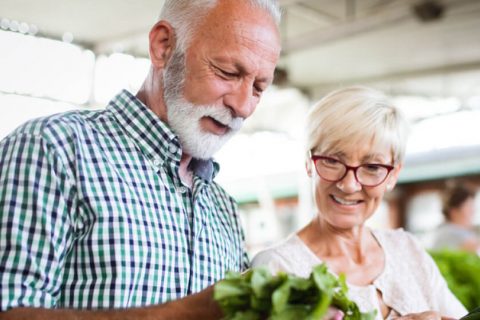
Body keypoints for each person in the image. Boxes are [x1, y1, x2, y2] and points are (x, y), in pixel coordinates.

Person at [0, 0, 281, 319]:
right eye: (228, 72)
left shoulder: (223, 209)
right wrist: (185, 313)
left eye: (259, 88)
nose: (243, 106)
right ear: (163, 46)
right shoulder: (55, 150)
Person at [252, 87, 467, 319]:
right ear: (308, 163)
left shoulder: (407, 250)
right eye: (333, 161)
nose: (349, 185)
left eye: (372, 167)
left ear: (393, 175)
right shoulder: (277, 267)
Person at [431, 183, 480, 253]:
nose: (473, 211)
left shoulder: (463, 232)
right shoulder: (448, 232)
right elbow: (473, 245)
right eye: (469, 206)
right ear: (454, 211)